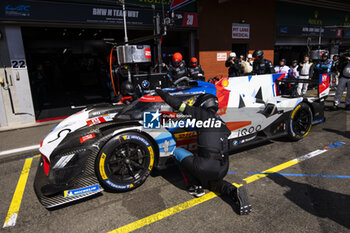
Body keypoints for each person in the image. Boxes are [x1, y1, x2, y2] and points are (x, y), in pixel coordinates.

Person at [155, 89, 252, 215]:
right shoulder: (222, 123)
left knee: (176, 151)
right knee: (214, 184)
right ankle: (233, 191)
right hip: (222, 168)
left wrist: (160, 93)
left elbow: (178, 105)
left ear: (203, 104)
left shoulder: (201, 113)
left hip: (205, 166)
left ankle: (195, 187)